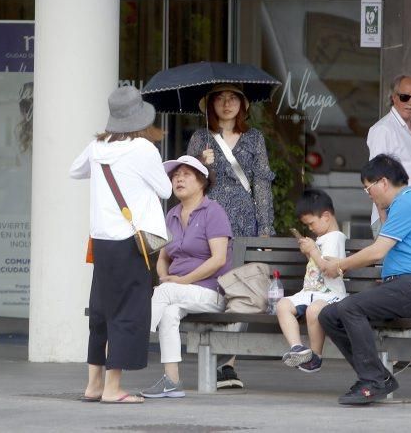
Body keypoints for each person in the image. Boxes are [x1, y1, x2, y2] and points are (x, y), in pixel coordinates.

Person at [69, 86, 172, 405]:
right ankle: (113, 389)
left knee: (101, 310)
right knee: (128, 310)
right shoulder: (143, 148)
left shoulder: (98, 145)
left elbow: (75, 171)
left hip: (102, 241)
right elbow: (166, 190)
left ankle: (94, 385)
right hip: (132, 242)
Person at [316, 154, 411, 406]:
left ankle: (372, 380)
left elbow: (377, 252)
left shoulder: (407, 203)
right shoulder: (399, 206)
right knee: (328, 315)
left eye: (368, 187)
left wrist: (339, 266)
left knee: (349, 308)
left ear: (383, 182)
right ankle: (376, 376)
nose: (368, 194)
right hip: (401, 286)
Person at [187, 82, 275, 388]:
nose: (227, 104)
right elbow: (186, 182)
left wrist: (265, 231)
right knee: (211, 283)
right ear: (210, 105)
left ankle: (229, 362)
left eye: (233, 99)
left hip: (243, 219)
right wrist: (202, 166)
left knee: (241, 287)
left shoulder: (254, 138)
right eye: (220, 99)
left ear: (243, 105)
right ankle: (210, 354)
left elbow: (262, 184)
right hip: (208, 218)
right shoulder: (200, 137)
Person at [140, 155, 234, 399]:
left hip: (212, 291)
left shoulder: (213, 212)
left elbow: (219, 259)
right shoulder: (171, 214)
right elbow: (163, 258)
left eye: (185, 174)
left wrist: (180, 281)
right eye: (175, 175)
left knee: (165, 293)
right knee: (169, 312)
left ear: (202, 181)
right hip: (179, 291)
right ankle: (172, 381)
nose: (178, 179)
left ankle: (134, 338)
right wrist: (164, 276)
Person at [276, 189, 347, 373]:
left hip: (330, 295)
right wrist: (310, 252)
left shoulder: (335, 238)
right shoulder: (323, 238)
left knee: (314, 311)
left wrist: (314, 251)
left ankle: (315, 356)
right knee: (283, 304)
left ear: (326, 216)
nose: (310, 228)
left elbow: (330, 270)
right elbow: (317, 265)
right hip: (309, 293)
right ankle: (297, 348)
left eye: (311, 223)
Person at [366, 74, 411, 236]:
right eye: (404, 97)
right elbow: (374, 180)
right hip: (394, 220)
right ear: (394, 98)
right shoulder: (384, 130)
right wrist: (385, 221)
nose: (410, 102)